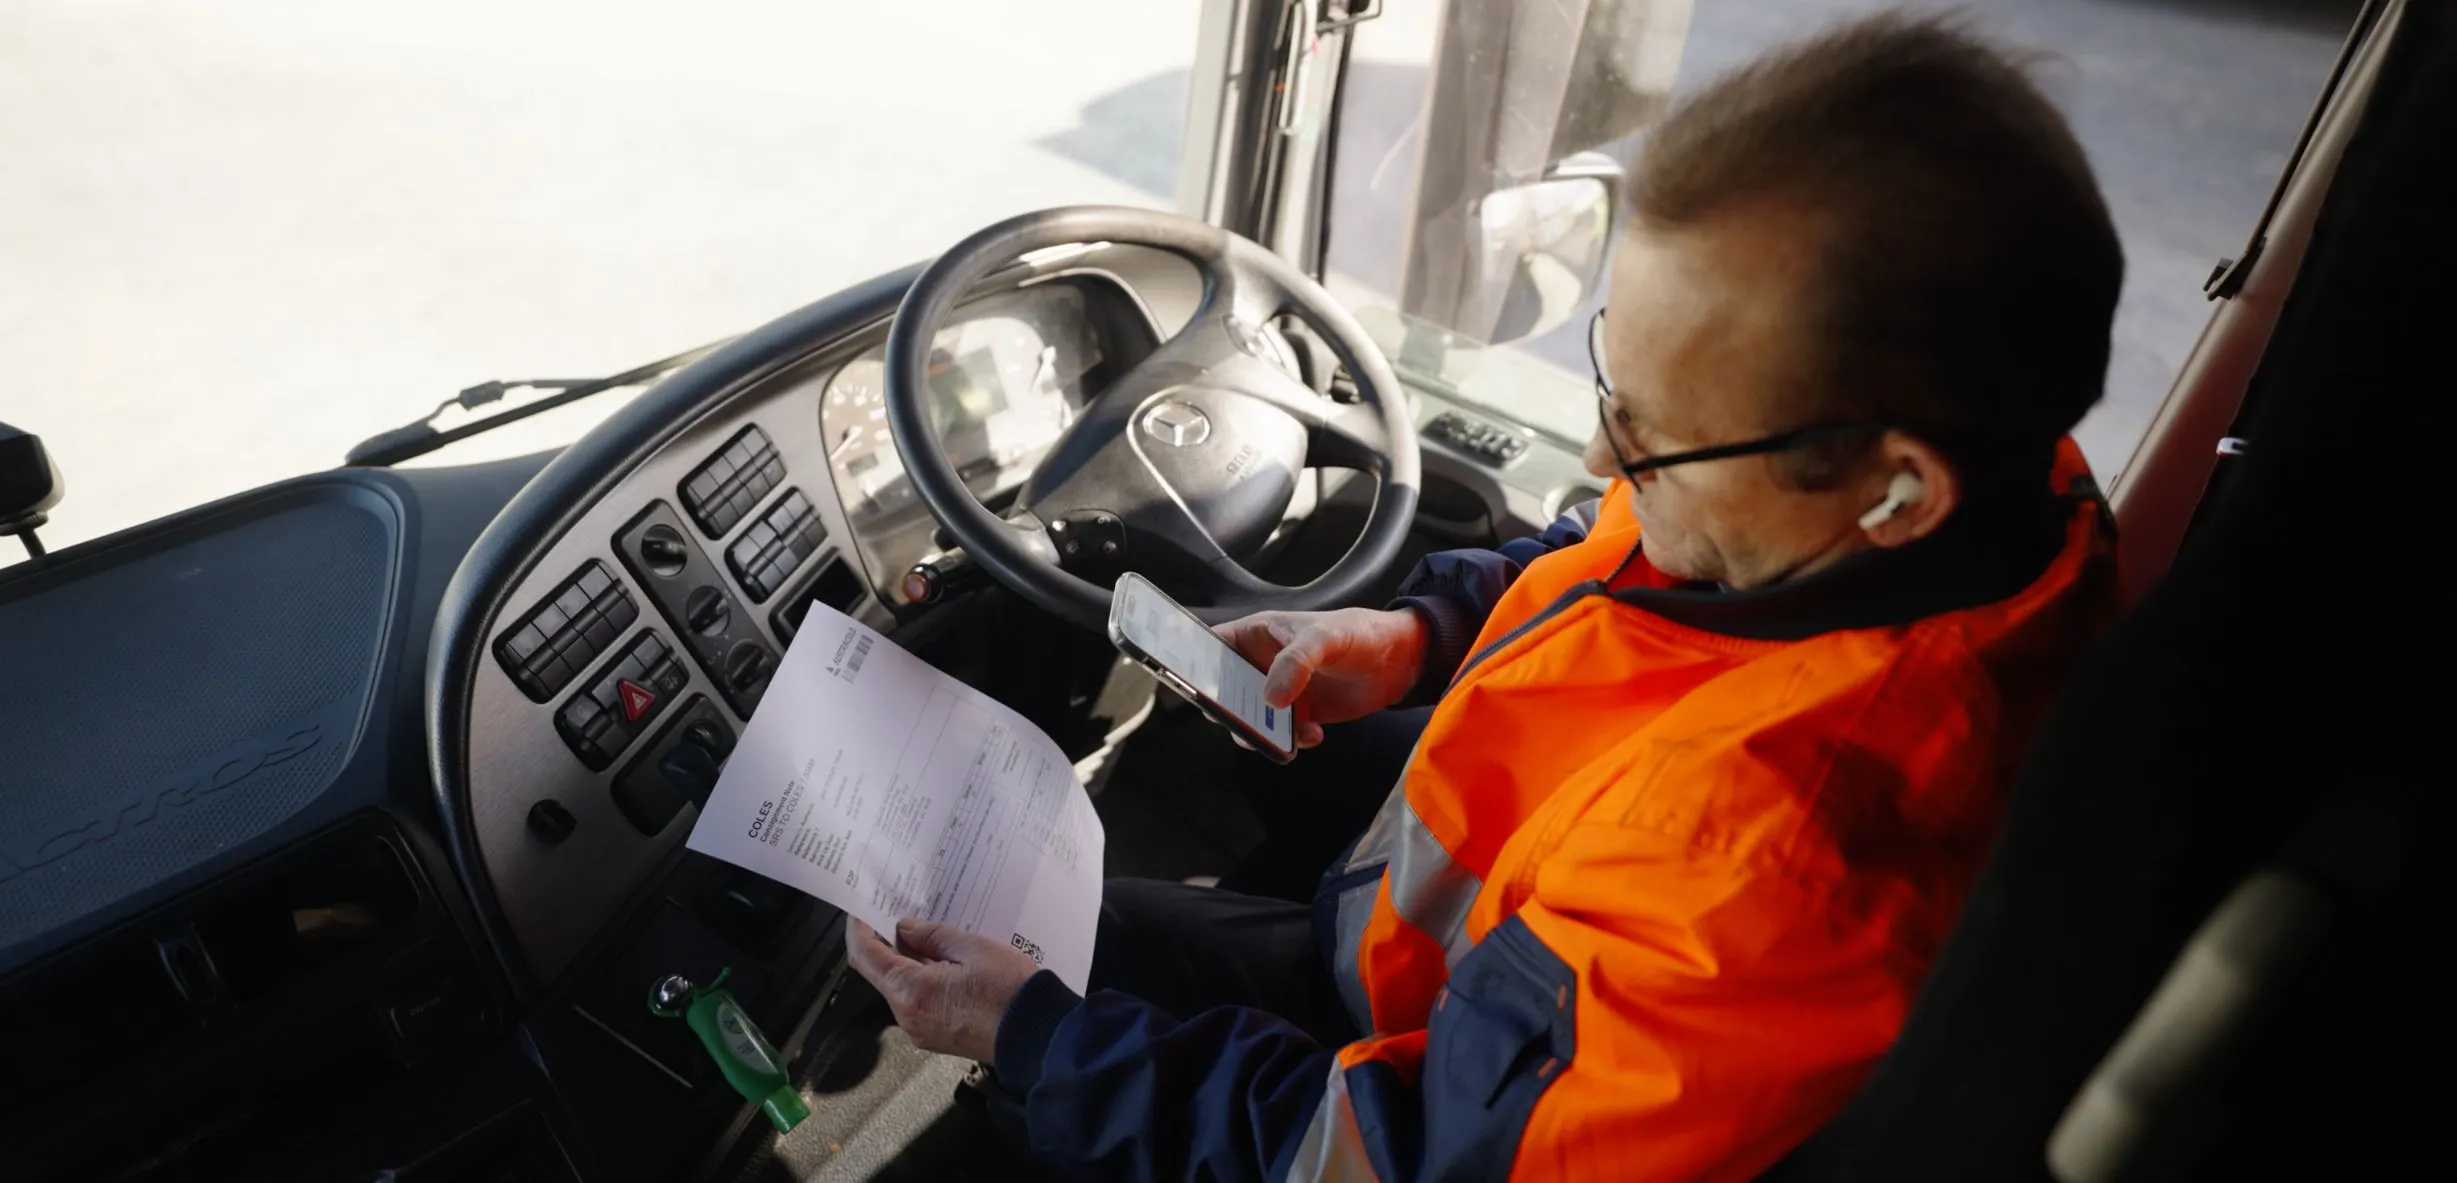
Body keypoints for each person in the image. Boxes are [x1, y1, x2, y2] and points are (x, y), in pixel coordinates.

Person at [845, 13, 2126, 1181]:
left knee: (1044, 996)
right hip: (1428, 985)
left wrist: (1039, 1042)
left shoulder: (1764, 885)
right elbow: (1609, 554)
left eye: (1656, 437)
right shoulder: (1974, 481)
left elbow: (1403, 1165)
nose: (1603, 457)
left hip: (1409, 1088)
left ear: (1899, 488)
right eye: (1611, 384)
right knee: (1082, 929)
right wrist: (1418, 633)